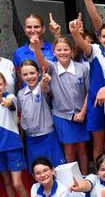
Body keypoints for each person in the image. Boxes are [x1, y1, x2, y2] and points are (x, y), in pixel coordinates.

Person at [69, 14, 105, 161]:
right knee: (98, 146)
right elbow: (82, 44)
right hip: (95, 106)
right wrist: (75, 33)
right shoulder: (95, 51)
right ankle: (99, 175)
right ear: (100, 38)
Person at [31, 35, 90, 175]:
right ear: (54, 52)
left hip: (81, 116)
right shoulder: (52, 68)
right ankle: (74, 180)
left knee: (82, 149)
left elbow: (89, 92)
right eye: (59, 50)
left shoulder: (82, 68)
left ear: (72, 51)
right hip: (62, 116)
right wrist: (36, 47)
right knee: (69, 151)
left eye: (66, 49)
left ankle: (86, 178)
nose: (62, 52)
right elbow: (41, 61)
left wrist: (83, 112)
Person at [17, 59, 66, 170]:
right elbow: (22, 114)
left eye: (32, 73)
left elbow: (45, 87)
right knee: (38, 171)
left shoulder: (41, 88)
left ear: (38, 73)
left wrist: (45, 81)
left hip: (48, 136)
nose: (29, 77)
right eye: (25, 74)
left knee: (55, 168)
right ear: (21, 76)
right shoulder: (20, 94)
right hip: (31, 139)